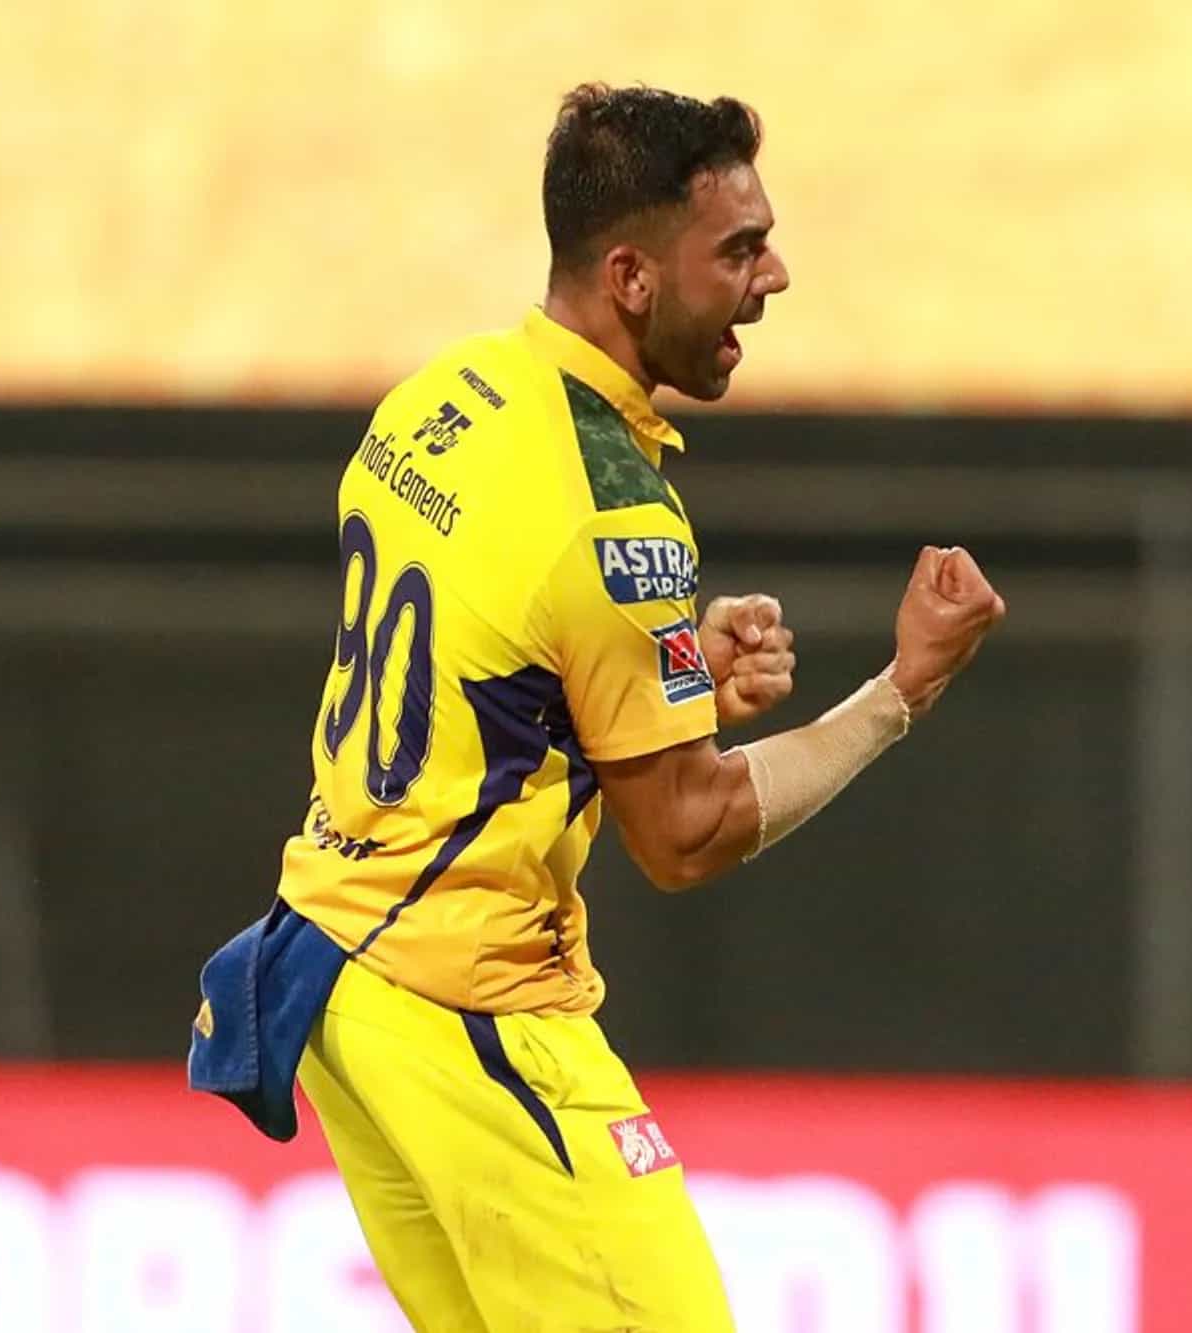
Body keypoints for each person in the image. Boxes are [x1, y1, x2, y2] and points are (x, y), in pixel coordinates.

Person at [189, 83, 1005, 1332]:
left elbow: (485, 658)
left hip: (342, 988)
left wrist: (656, 673)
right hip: (478, 1018)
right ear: (631, 276)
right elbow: (681, 832)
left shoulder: (442, 394)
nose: (773, 275)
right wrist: (902, 689)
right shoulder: (610, 508)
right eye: (737, 251)